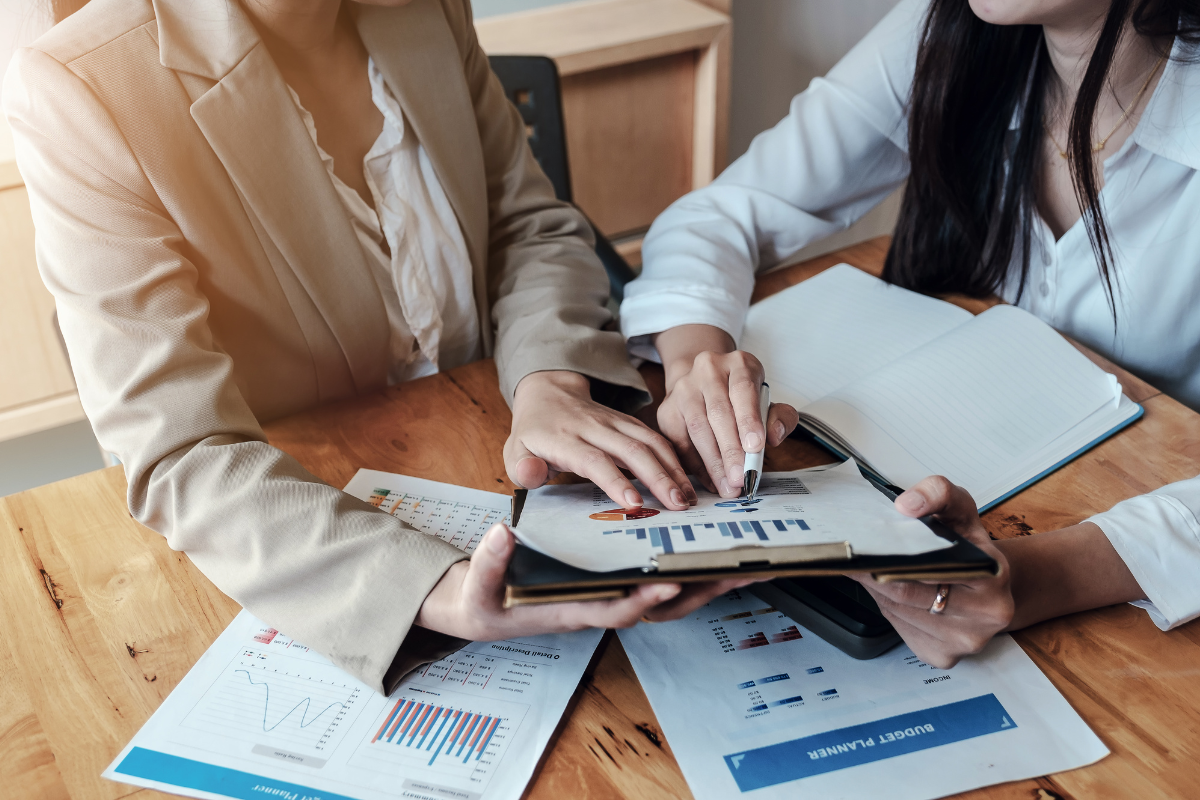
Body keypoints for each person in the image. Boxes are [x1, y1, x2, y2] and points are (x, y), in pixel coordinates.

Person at [2, 0, 745, 695]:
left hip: (500, 456)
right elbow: (179, 453)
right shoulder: (79, 88)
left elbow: (529, 227)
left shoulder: (427, 9)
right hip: (298, 545)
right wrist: (435, 590)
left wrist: (549, 378)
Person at [620, 0, 1200, 667]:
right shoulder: (947, 26)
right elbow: (722, 213)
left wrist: (1039, 576)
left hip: (1138, 582)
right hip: (965, 472)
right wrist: (699, 362)